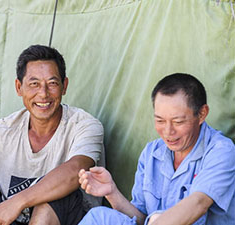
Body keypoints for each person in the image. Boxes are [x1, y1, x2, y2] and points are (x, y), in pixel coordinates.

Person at [0, 44, 105, 225]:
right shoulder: (2, 131)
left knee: (56, 194)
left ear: (64, 86)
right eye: (34, 84)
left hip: (69, 218)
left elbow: (75, 171)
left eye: (52, 83)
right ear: (19, 87)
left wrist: (17, 202)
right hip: (10, 219)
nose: (43, 93)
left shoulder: (85, 124)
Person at [78, 73, 235, 225]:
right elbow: (140, 219)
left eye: (178, 122)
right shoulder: (152, 152)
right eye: (160, 120)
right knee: (100, 217)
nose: (168, 132)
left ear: (202, 114)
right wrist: (111, 192)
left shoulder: (221, 150)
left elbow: (198, 203)